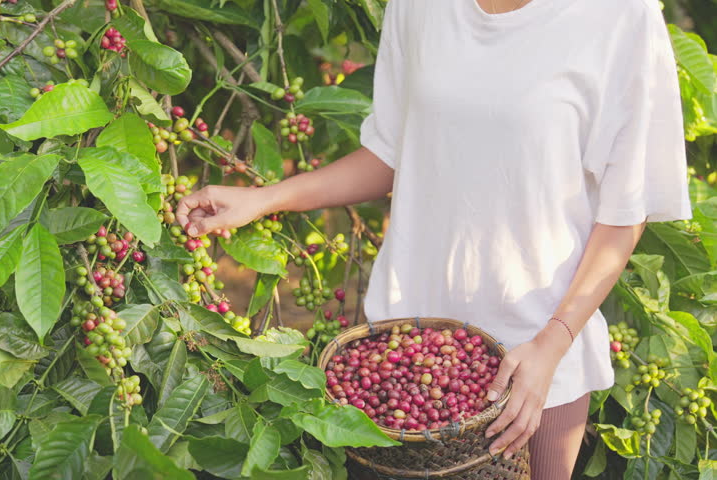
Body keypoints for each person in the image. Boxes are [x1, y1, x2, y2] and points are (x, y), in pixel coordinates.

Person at [175, 0, 692, 477]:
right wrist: (264, 199)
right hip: (402, 360)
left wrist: (551, 344)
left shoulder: (619, 17)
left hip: (533, 363)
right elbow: (394, 154)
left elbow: (625, 213)